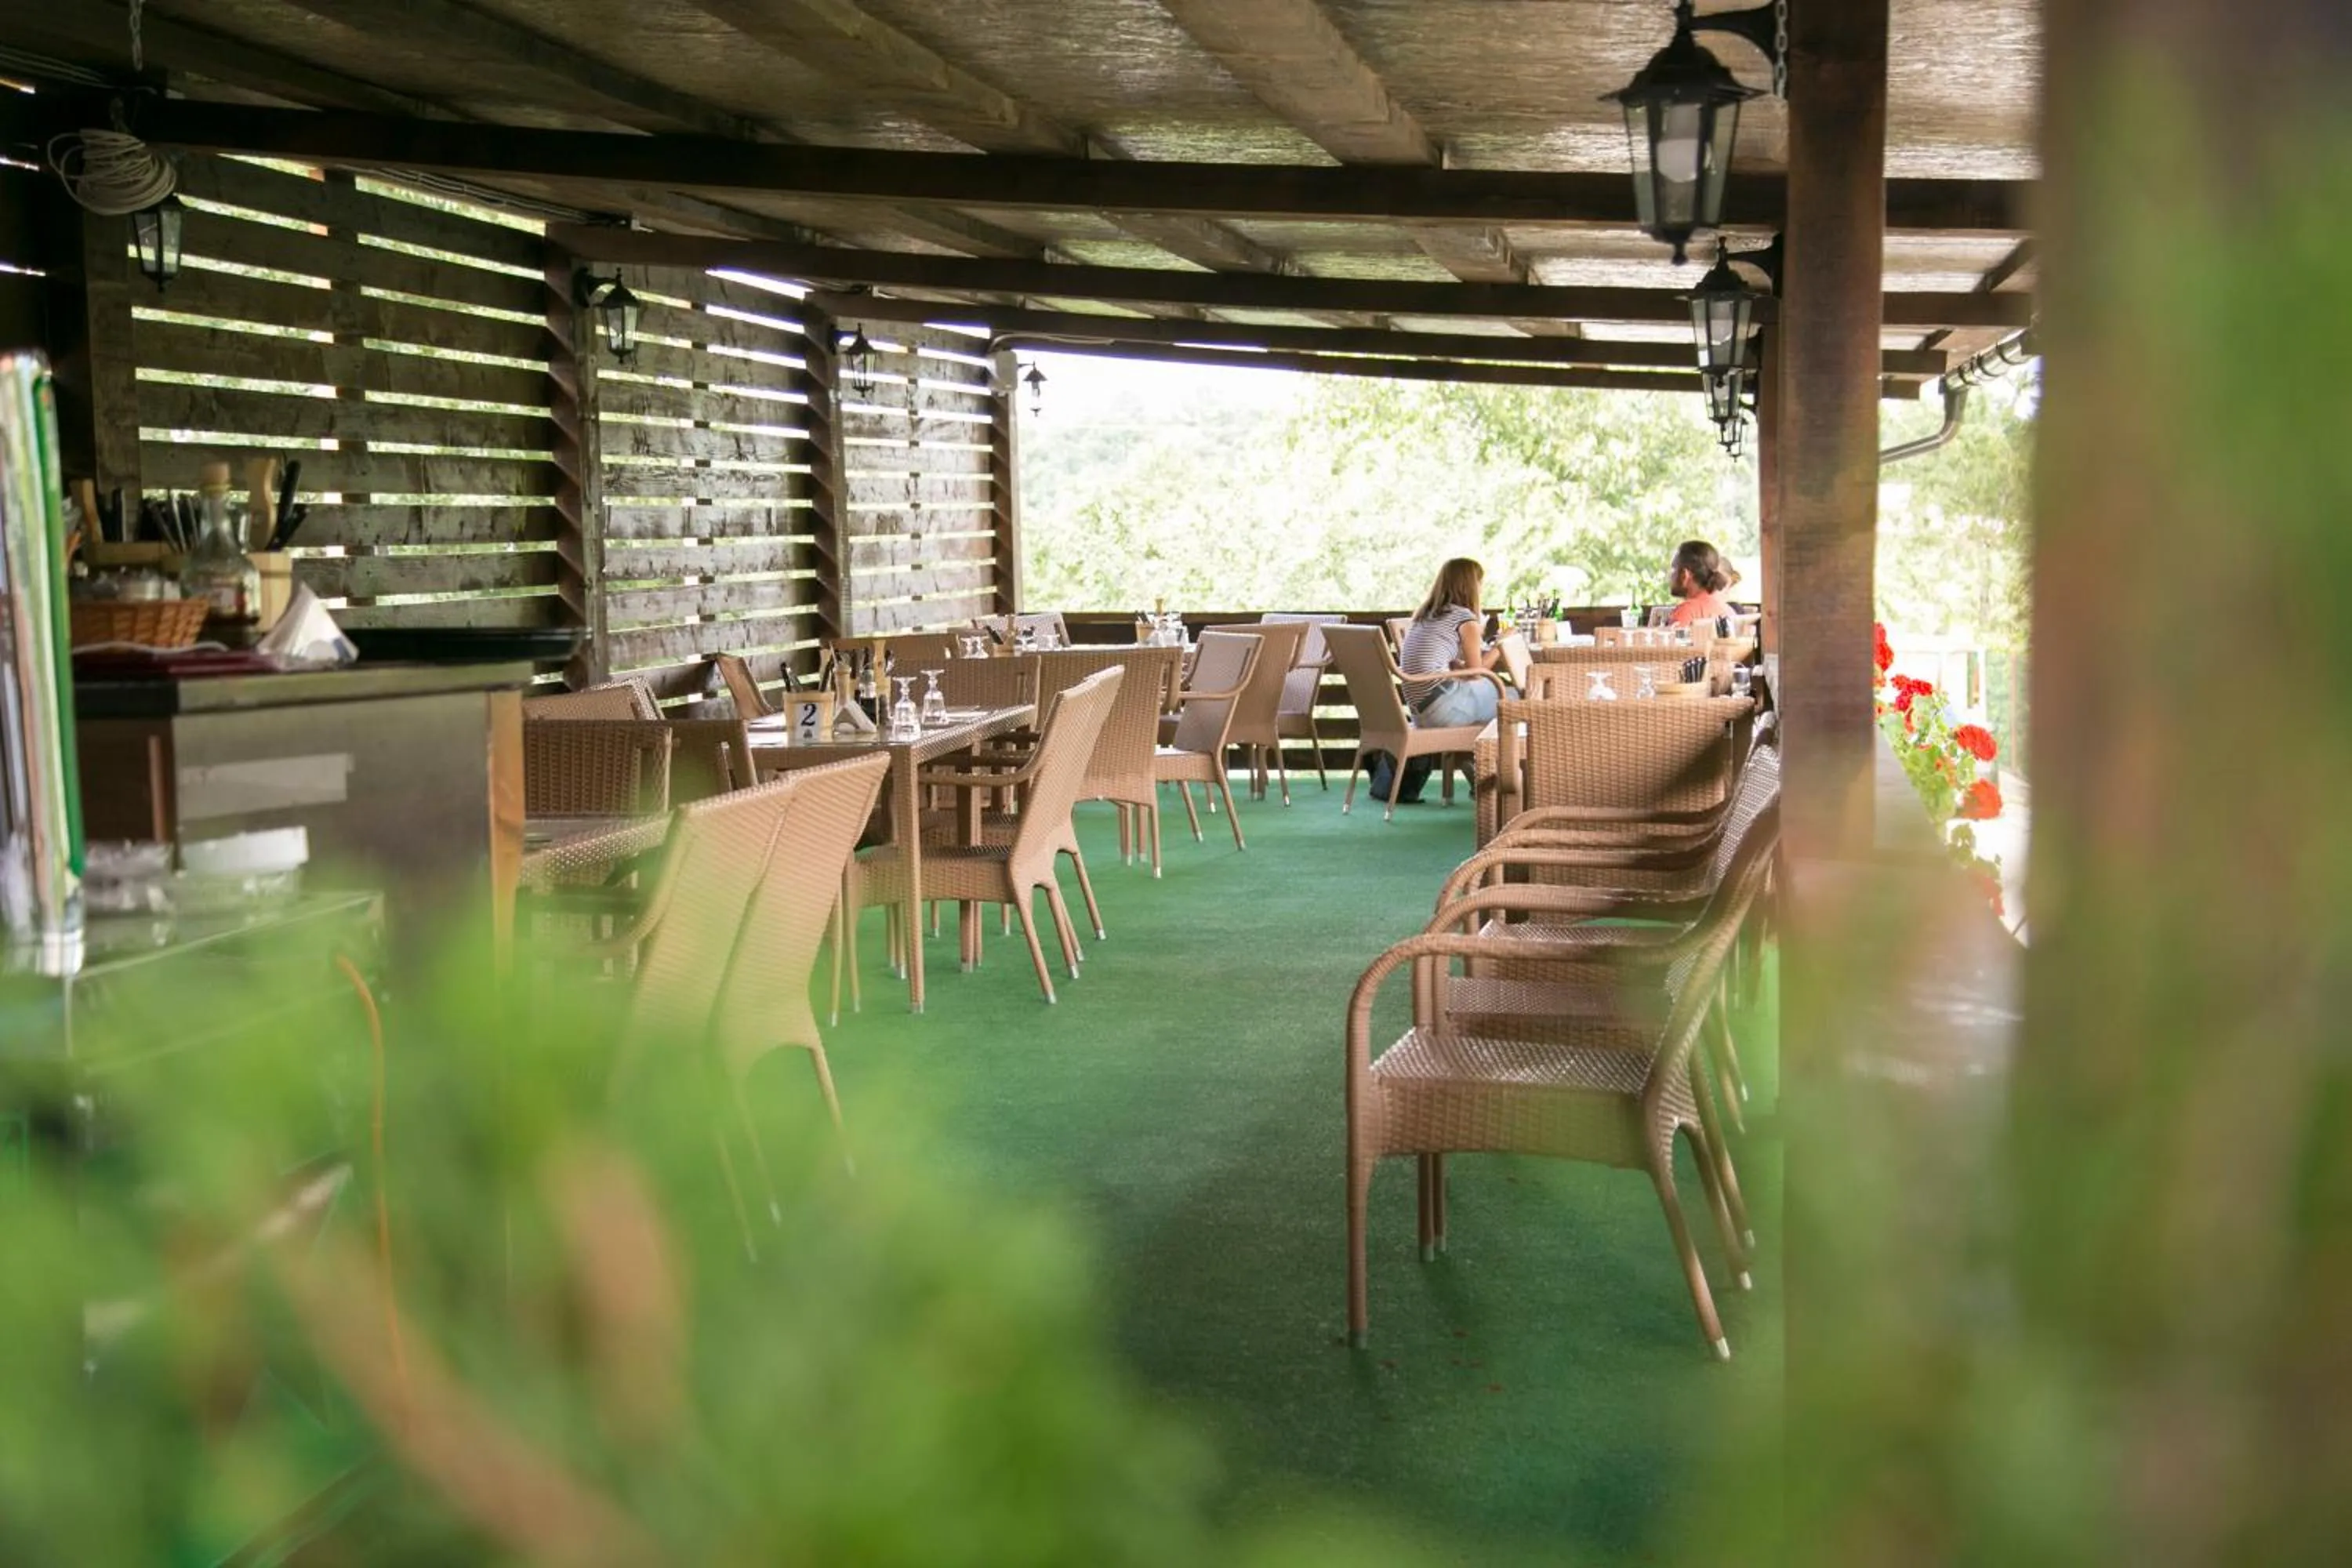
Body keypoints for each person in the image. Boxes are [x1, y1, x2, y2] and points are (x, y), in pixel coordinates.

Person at [1371, 557, 1504, 804]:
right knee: (1514, 700)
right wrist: (1501, 646)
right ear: (1471, 586)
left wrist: (1462, 664)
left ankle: (1477, 769)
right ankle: (1496, 779)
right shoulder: (1465, 619)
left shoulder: (1425, 615)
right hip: (1443, 710)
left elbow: (1448, 664)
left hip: (1420, 711)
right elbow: (1476, 673)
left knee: (1493, 696)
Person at [1665, 539, 1738, 627]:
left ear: (1685, 575)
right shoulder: (1728, 611)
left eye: (1673, 569)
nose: (1669, 575)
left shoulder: (1686, 612)